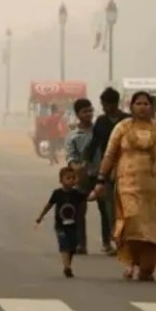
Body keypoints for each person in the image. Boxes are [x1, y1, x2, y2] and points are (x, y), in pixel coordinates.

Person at [92, 91, 156, 281]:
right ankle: (130, 262)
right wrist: (101, 179)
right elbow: (109, 155)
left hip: (155, 191)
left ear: (153, 107)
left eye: (146, 104)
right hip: (128, 186)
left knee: (152, 230)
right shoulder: (122, 128)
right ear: (131, 107)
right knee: (130, 223)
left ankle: (146, 268)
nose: (142, 107)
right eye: (138, 103)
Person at [83, 87, 130, 255]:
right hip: (107, 169)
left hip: (127, 168)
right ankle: (114, 238)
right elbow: (94, 143)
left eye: (104, 104)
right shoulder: (101, 121)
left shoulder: (127, 120)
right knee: (110, 206)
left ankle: (127, 238)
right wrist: (86, 161)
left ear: (113, 104)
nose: (103, 108)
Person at [65, 98, 113, 255]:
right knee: (79, 210)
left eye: (90, 111)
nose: (88, 114)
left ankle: (107, 243)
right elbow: (70, 156)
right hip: (82, 177)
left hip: (101, 174)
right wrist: (77, 168)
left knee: (105, 210)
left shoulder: (100, 131)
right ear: (78, 114)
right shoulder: (73, 135)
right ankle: (80, 244)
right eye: (85, 111)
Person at [35, 166, 100, 278]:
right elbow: (49, 205)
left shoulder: (77, 194)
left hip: (73, 225)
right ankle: (67, 267)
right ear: (61, 180)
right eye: (68, 178)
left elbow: (89, 198)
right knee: (64, 244)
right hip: (60, 225)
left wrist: (97, 193)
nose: (70, 180)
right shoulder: (57, 193)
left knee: (72, 246)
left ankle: (68, 264)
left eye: (73, 178)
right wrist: (40, 216)